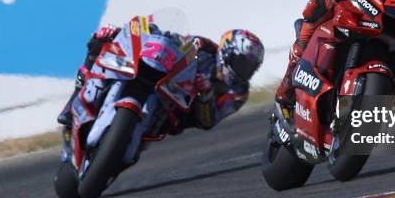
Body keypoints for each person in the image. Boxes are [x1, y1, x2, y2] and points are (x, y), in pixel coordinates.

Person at [57, 26, 264, 132]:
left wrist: (205, 95)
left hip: (178, 115)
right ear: (227, 51)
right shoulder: (204, 47)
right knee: (102, 40)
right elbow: (174, 43)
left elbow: (208, 122)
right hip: (164, 82)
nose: (244, 71)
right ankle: (73, 102)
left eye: (249, 67)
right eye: (241, 63)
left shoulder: (237, 92)